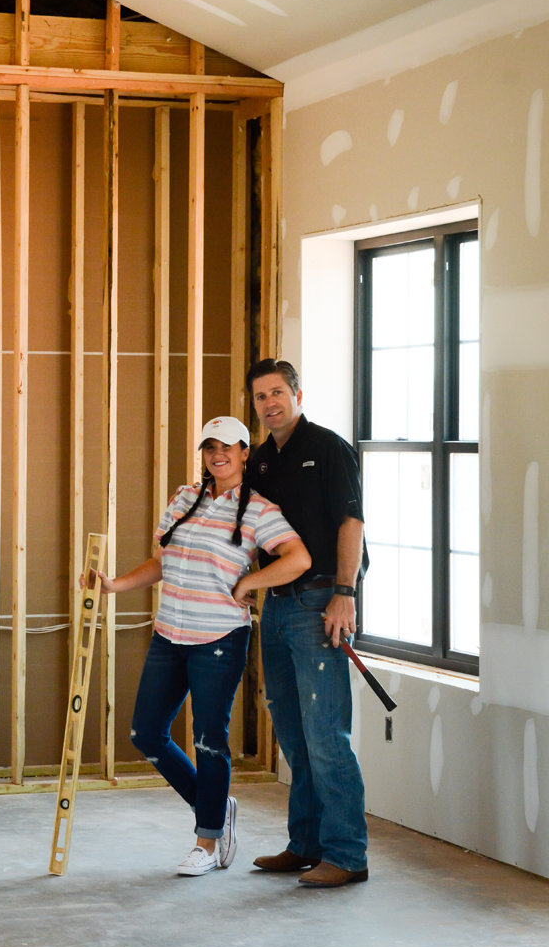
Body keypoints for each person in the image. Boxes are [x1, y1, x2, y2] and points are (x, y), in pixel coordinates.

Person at [89, 416, 310, 877]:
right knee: (145, 733)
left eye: (227, 447)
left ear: (245, 452)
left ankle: (205, 843)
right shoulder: (184, 498)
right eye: (209, 447)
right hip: (170, 632)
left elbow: (298, 558)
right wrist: (114, 585)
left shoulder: (258, 510)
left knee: (210, 740)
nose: (217, 455)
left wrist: (252, 579)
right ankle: (215, 807)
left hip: (220, 638)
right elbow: (161, 562)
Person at [244, 359, 369, 888]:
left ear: (297, 393)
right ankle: (306, 845)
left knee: (325, 735)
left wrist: (345, 594)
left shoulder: (328, 447)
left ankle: (347, 855)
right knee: (293, 736)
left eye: (277, 392)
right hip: (276, 604)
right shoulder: (262, 461)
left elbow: (351, 523)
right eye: (259, 397)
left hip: (320, 599)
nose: (269, 403)